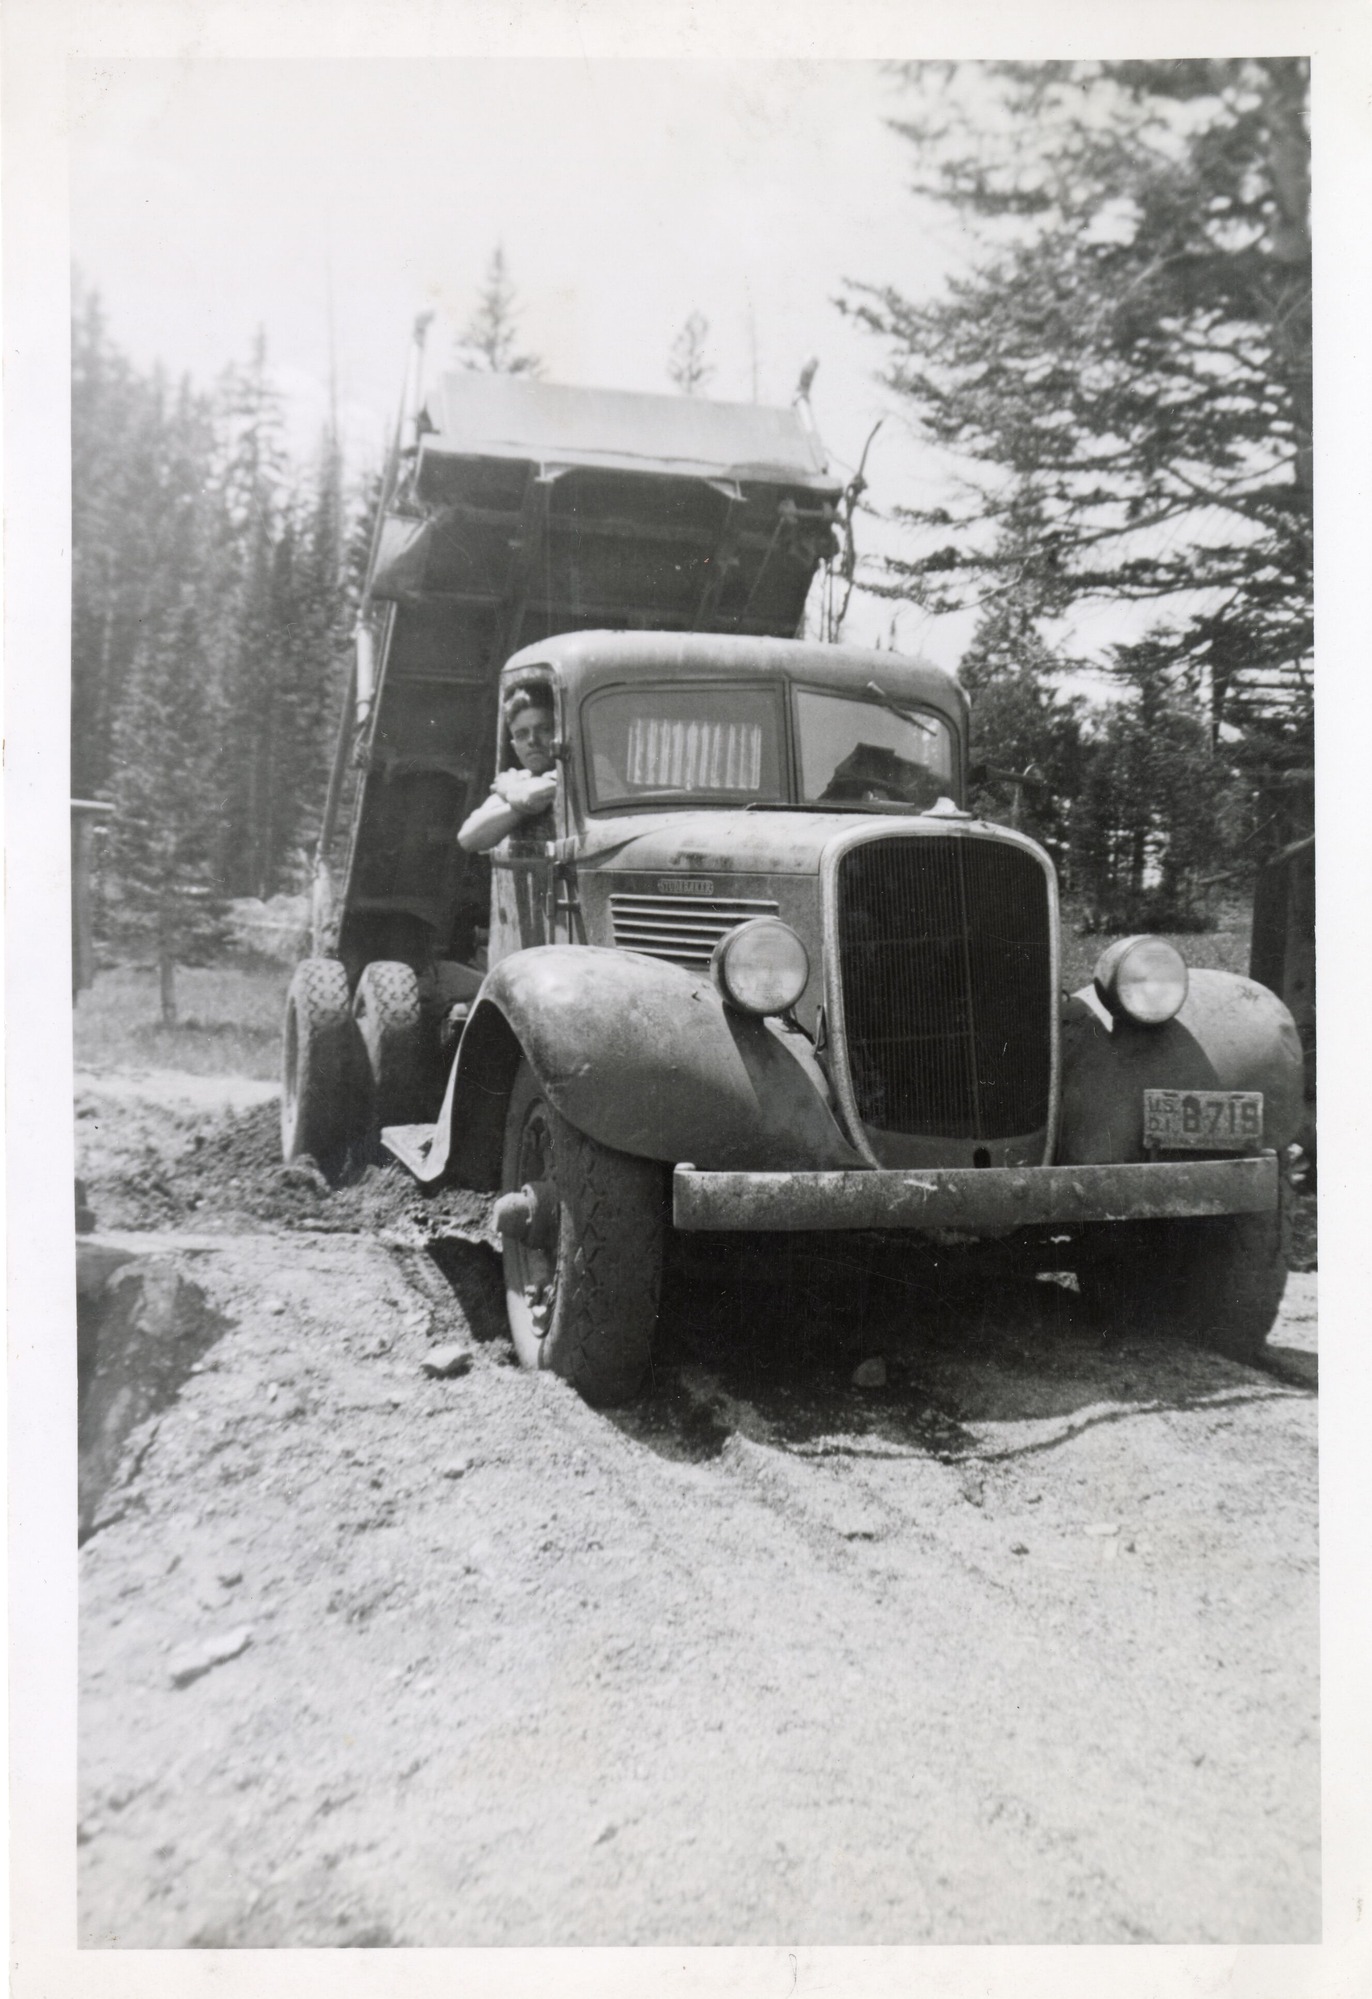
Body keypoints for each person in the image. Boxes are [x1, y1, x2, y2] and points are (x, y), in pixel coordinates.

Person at [457, 685, 560, 854]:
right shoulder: (520, 779)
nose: (532, 741)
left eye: (544, 729)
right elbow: (468, 838)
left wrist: (508, 790)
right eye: (521, 735)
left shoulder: (571, 772)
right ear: (515, 747)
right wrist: (518, 799)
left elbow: (532, 796)